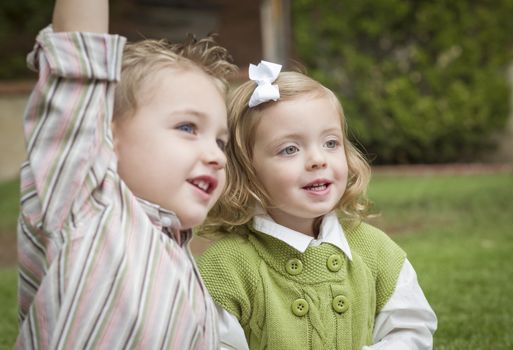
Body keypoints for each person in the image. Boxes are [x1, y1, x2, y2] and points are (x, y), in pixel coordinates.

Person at [16, 0, 237, 348]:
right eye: (187, 127)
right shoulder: (87, 205)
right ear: (106, 134)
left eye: (221, 142)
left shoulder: (179, 259)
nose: (216, 156)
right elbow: (79, 57)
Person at [197, 61, 438, 349]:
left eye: (331, 143)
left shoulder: (377, 252)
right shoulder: (225, 267)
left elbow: (411, 329)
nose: (317, 159)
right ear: (246, 171)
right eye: (290, 149)